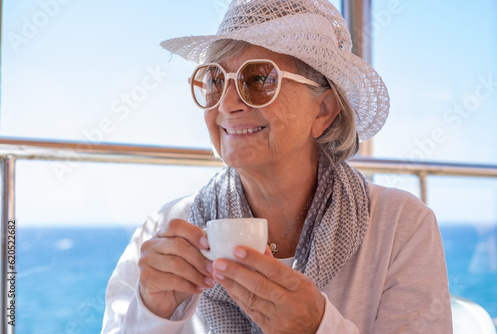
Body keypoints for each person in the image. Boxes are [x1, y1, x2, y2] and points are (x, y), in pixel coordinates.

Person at [101, 0, 452, 333]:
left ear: (323, 111)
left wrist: (318, 327)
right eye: (216, 80)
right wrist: (154, 313)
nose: (227, 103)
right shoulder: (165, 231)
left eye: (258, 79)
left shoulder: (401, 228)